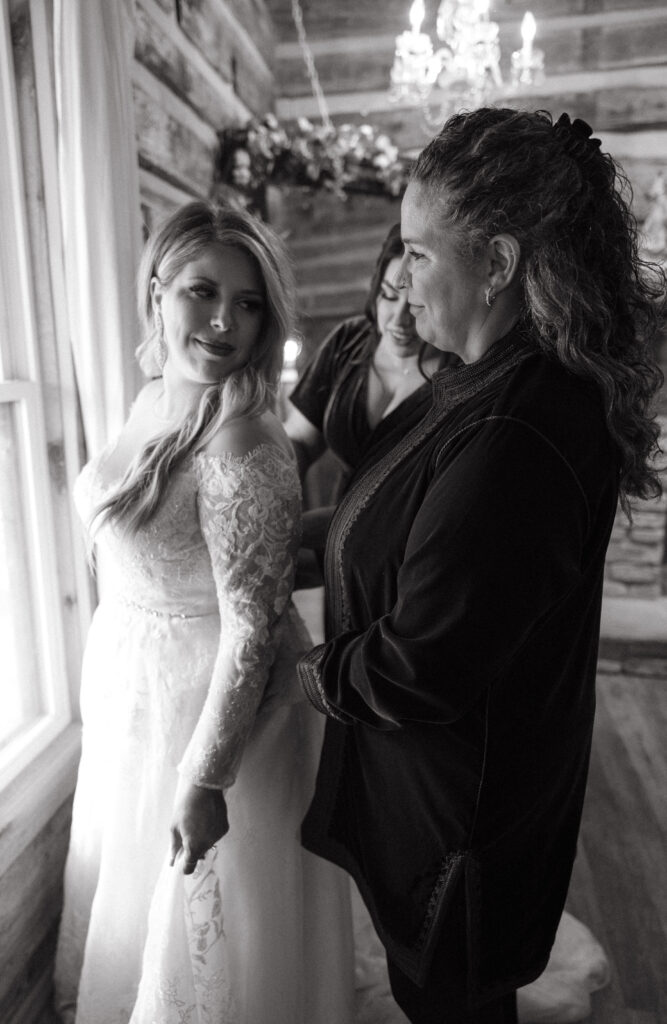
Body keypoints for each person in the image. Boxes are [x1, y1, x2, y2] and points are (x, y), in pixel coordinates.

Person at [297, 109, 664, 1024]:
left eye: (419, 255)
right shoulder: (480, 378)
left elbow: (420, 667)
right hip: (444, 806)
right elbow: (383, 515)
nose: (401, 282)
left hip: (458, 829)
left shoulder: (519, 429)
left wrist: (302, 671)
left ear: (497, 264)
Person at [54, 200, 355, 1024]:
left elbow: (255, 627)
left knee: (211, 941)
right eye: (201, 291)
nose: (225, 322)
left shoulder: (241, 442)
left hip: (215, 715)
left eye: (250, 302)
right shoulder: (154, 395)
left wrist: (206, 777)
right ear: (158, 289)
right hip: (138, 688)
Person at [285, 223, 455, 566]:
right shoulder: (348, 342)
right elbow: (300, 441)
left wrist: (302, 531)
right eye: (389, 296)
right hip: (339, 560)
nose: (399, 320)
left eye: (415, 303)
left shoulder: (458, 373)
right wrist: (275, 498)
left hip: (413, 562)